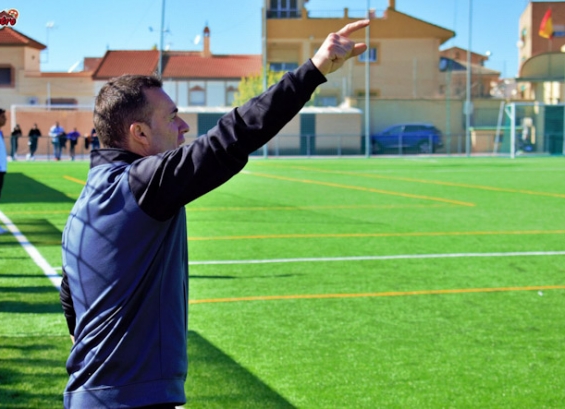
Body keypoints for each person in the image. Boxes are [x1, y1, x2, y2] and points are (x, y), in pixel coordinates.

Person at [60, 20, 369, 408]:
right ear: (139, 134)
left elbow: (71, 300)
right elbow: (231, 137)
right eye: (172, 117)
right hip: (132, 401)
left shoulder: (83, 206)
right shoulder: (141, 185)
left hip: (89, 396)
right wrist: (314, 71)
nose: (184, 126)